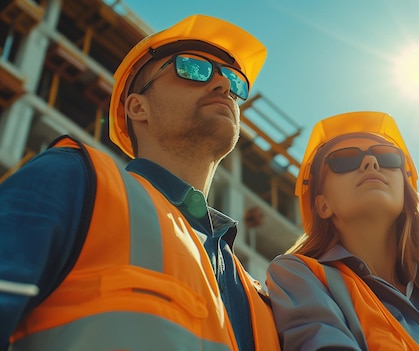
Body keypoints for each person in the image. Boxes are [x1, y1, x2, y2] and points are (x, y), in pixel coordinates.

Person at [0, 15, 280, 350]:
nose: (222, 85)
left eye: (234, 81)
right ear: (138, 107)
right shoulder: (79, 179)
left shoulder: (259, 298)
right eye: (193, 68)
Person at [266, 111, 419, 351]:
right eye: (344, 160)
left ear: (406, 193)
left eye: (387, 157)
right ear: (322, 205)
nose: (370, 161)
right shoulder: (300, 274)